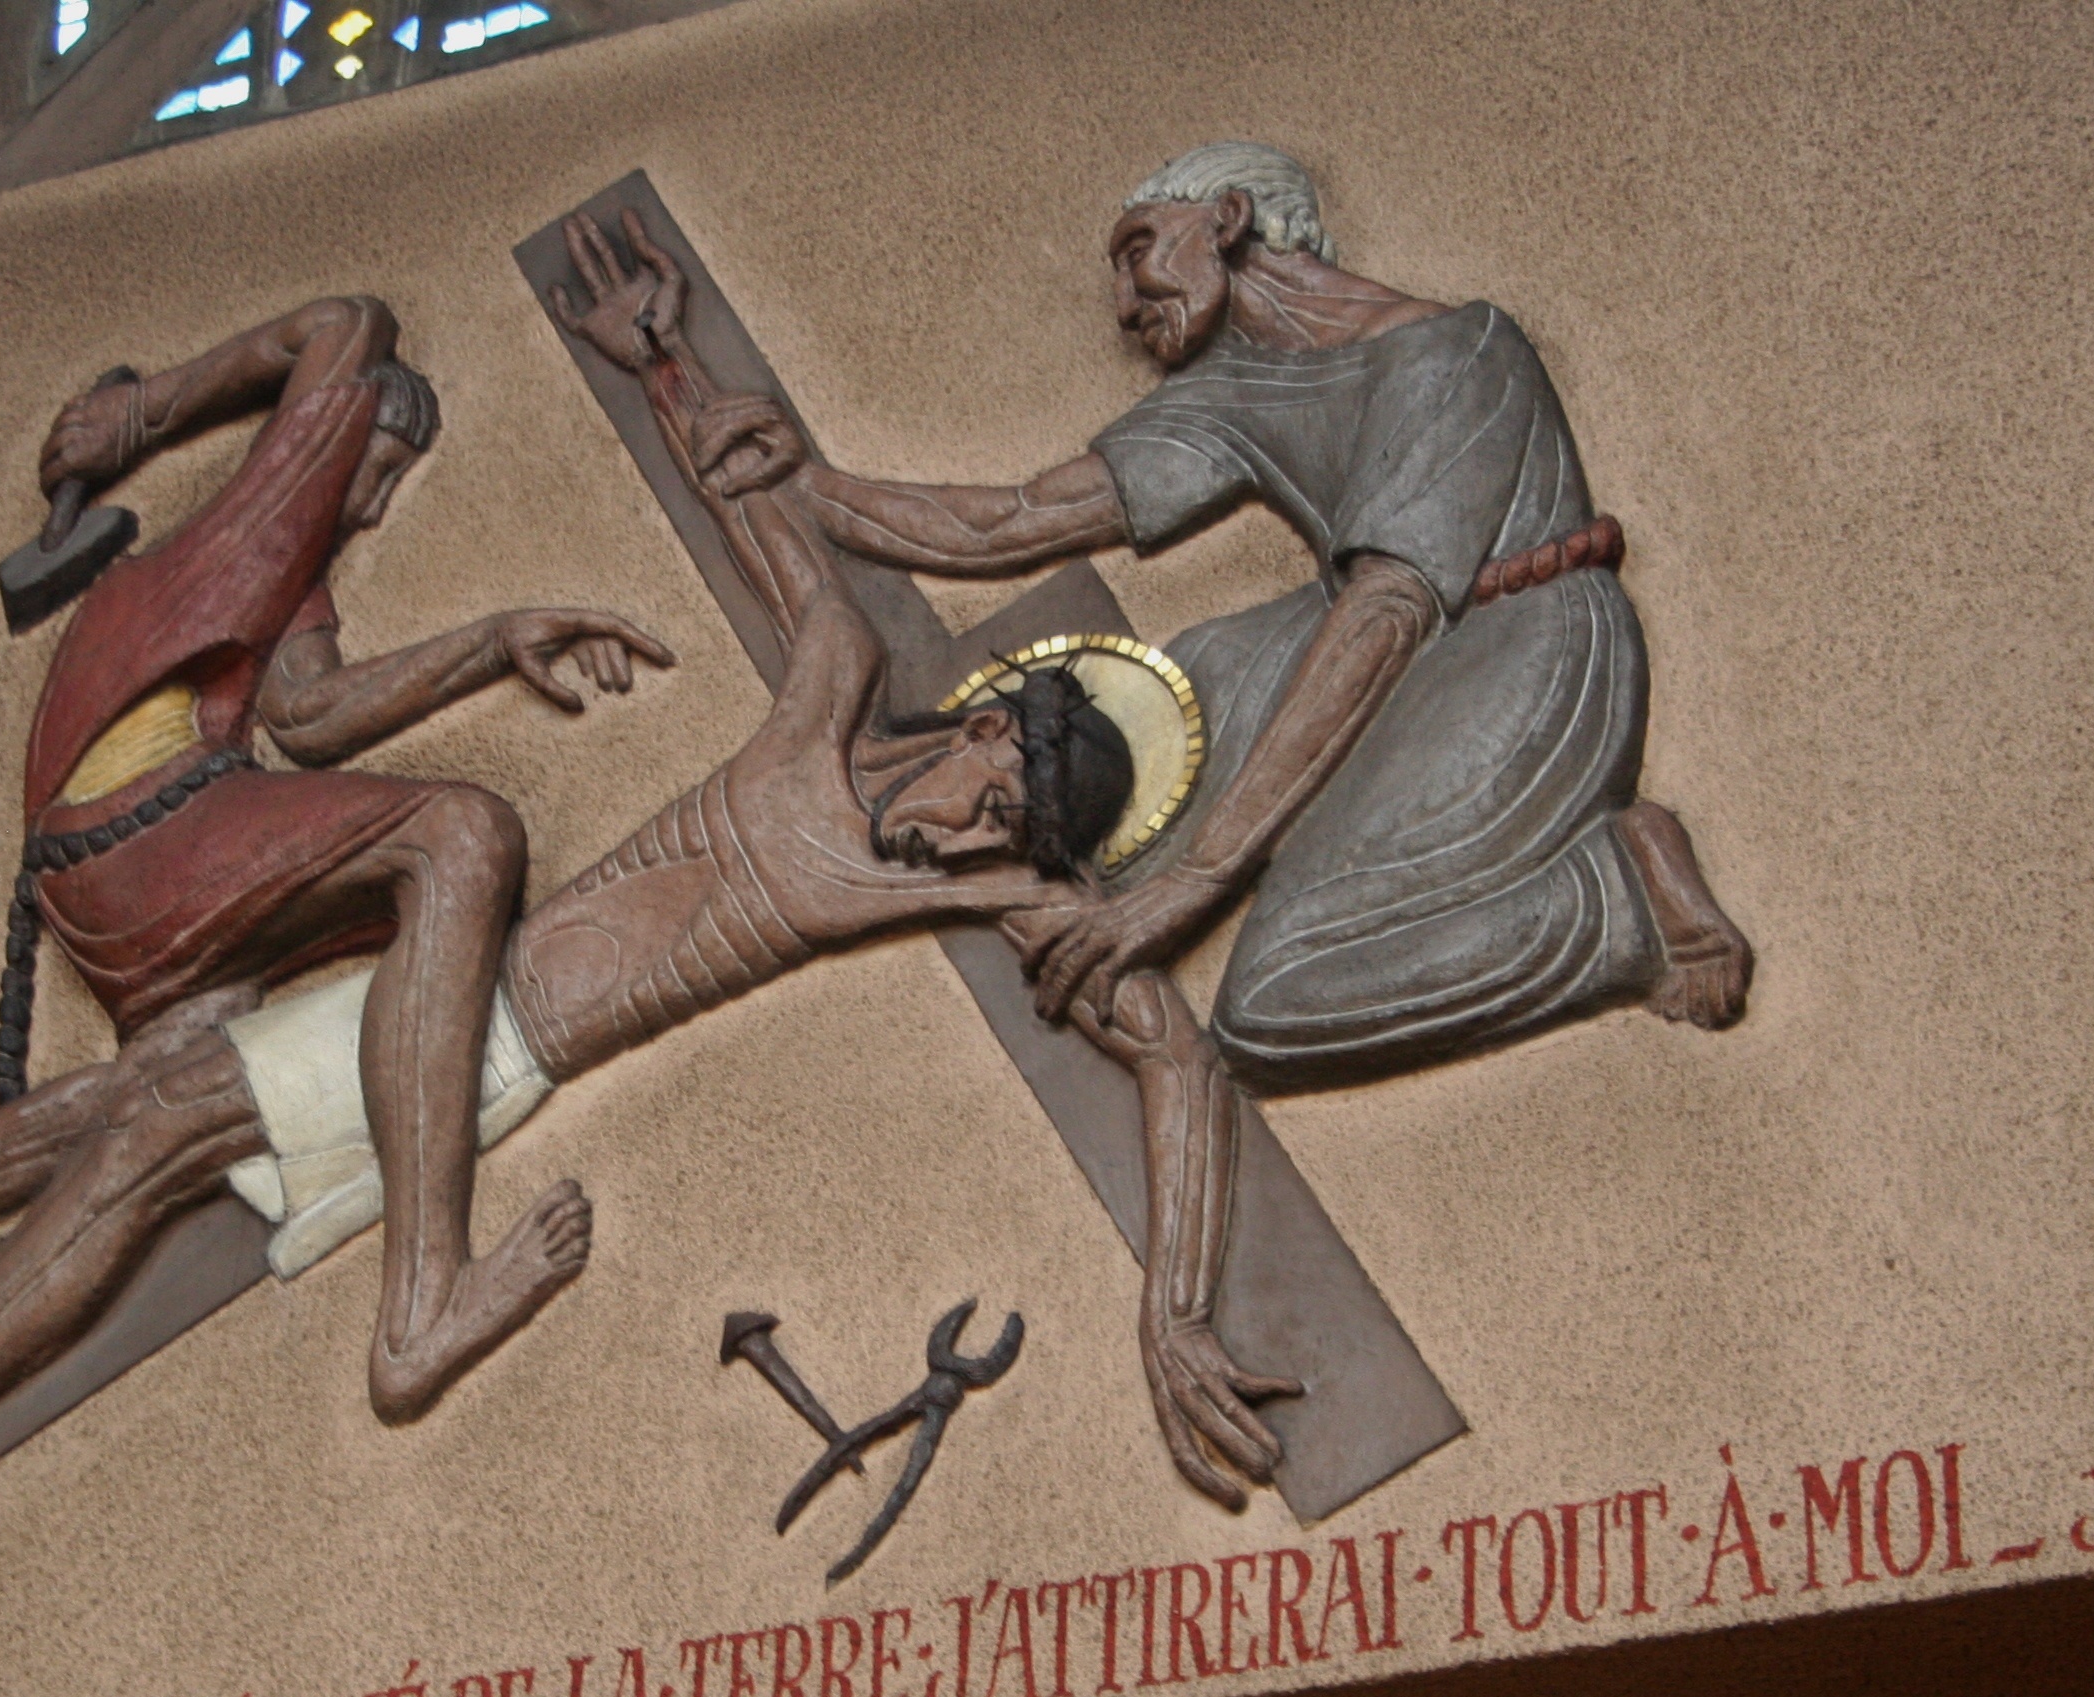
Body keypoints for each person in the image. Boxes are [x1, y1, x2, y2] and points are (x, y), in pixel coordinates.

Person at [0, 243, 1289, 1627]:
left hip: (483, 1053)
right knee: (105, 1125)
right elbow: (763, 519)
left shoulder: (981, 889)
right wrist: (662, 354)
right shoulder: (832, 701)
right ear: (988, 728)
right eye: (1001, 793)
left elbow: (1176, 1062)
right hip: (422, 992)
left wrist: (1179, 1307)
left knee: (130, 1155)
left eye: (1020, 841)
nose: (986, 835)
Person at [0, 297, 668, 1622]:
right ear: (344, 437)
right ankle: (423, 1292)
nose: (377, 504)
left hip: (125, 883)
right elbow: (343, 321)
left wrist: (490, 637)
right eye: (380, 472)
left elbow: (313, 712)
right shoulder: (277, 488)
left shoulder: (275, 576)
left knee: (152, 1111)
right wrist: (141, 412)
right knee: (462, 835)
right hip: (148, 831)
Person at [684, 140, 1753, 1088]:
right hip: (1362, 646)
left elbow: (1385, 618)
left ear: (1227, 220)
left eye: (1136, 248)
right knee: (1130, 800)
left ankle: (1620, 899)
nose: (1122, 300)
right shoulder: (1232, 394)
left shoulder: (1455, 353)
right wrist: (808, 488)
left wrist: (1195, 886)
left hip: (1518, 644)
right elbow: (1013, 518)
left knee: (1275, 998)